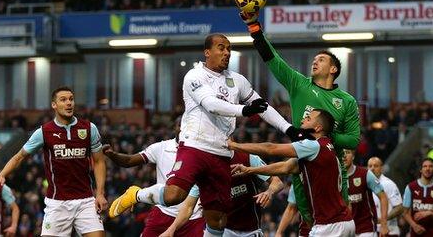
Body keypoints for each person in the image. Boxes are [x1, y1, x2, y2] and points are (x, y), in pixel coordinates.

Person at [109, 34, 307, 237]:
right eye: (221, 48)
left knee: (218, 220)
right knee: (174, 195)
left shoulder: (238, 81)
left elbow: (263, 106)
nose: (226, 52)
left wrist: (288, 128)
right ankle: (136, 194)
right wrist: (244, 111)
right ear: (207, 52)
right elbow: (211, 105)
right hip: (195, 147)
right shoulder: (194, 76)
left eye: (229, 49)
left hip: (221, 153)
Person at [240, 9, 361, 224]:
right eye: (314, 59)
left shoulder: (347, 100)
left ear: (333, 68)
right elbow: (273, 60)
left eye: (321, 60)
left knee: (339, 216)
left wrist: (323, 136)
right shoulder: (299, 84)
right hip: (302, 162)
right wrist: (254, 28)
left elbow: (353, 139)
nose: (315, 62)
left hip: (332, 166)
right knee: (308, 218)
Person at [0, 86, 108, 237]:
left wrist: (100, 193)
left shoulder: (89, 128)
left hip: (85, 201)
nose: (69, 103)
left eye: (71, 99)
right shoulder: (43, 132)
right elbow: (19, 156)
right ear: (54, 105)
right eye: (63, 100)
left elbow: (99, 161)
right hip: (57, 203)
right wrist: (2, 174)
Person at [229, 109, 355, 236]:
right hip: (345, 221)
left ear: (318, 127)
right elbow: (286, 167)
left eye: (308, 119)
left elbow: (271, 149)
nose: (302, 120)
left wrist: (234, 146)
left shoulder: (313, 145)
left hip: (329, 225)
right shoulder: (327, 146)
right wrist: (250, 170)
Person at [102, 120, 205, 237]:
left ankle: (137, 195)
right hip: (163, 213)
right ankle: (136, 195)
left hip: (193, 218)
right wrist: (113, 155)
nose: (183, 128)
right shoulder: (161, 148)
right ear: (174, 128)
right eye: (180, 124)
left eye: (187, 125)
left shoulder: (202, 151)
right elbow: (130, 160)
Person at [160, 151, 284, 237]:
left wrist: (269, 192)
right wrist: (171, 230)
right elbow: (188, 207)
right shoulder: (204, 170)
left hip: (250, 231)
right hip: (222, 231)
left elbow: (277, 182)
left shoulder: (247, 158)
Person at [342, 149, 389, 236]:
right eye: (342, 153)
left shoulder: (365, 174)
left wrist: (384, 224)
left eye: (347, 153)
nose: (344, 156)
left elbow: (383, 197)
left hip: (366, 228)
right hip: (345, 229)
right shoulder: (335, 177)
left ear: (353, 156)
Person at [402, 158, 433, 236]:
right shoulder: (410, 187)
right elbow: (405, 212)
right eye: (425, 166)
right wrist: (414, 225)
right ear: (421, 170)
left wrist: (429, 213)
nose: (427, 169)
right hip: (415, 231)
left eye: (430, 166)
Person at [368, 157, 404, 237]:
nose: (372, 168)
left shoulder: (388, 184)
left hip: (389, 231)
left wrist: (383, 219)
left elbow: (399, 208)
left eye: (376, 166)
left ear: (381, 168)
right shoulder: (366, 185)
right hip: (371, 231)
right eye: (370, 166)